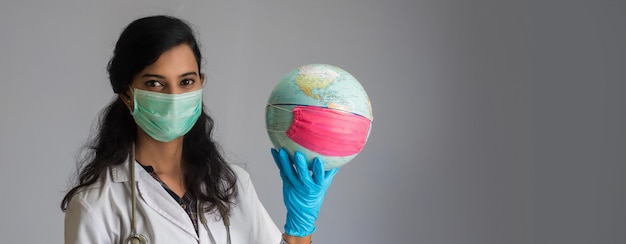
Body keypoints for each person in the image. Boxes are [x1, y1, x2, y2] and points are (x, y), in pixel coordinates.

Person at [61, 15, 339, 244]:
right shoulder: (96, 205)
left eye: (186, 82)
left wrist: (300, 228)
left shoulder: (231, 184)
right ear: (127, 94)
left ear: (200, 83)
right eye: (155, 83)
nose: (173, 96)